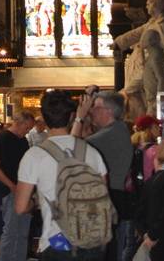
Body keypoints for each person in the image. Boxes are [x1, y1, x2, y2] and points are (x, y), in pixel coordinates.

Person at [15, 89, 108, 261]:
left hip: (57, 242)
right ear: (72, 116)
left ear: (43, 118)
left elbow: (20, 207)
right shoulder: (92, 152)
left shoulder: (34, 156)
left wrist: (36, 201)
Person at [87, 92, 134, 261]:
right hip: (115, 196)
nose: (92, 111)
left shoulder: (112, 133)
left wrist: (79, 119)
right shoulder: (117, 130)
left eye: (96, 107)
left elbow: (73, 146)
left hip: (110, 196)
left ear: (108, 111)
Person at [0, 112, 36, 261]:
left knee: (22, 232)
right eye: (27, 127)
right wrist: (12, 186)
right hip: (13, 191)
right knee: (11, 232)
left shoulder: (23, 140)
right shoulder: (4, 138)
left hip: (24, 190)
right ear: (19, 123)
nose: (27, 131)